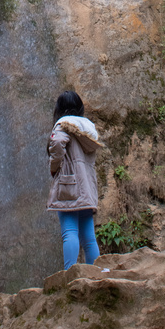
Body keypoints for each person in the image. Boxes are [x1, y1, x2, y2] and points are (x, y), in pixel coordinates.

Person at [47, 90, 103, 270]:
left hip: (68, 185)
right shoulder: (88, 129)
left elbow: (56, 143)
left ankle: (70, 271)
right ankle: (94, 271)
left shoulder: (63, 125)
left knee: (69, 231)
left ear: (59, 109)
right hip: (87, 186)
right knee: (88, 235)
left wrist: (54, 165)